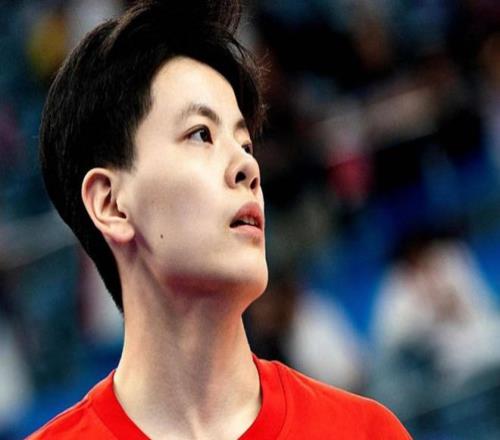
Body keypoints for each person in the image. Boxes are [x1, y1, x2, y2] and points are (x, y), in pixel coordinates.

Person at [28, 0, 411, 438]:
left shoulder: (366, 431)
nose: (248, 167)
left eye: (245, 144)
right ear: (111, 204)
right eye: (201, 134)